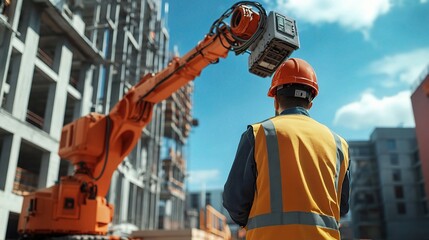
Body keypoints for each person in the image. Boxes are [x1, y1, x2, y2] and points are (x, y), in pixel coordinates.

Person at [223, 58, 350, 240]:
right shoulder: (339, 144)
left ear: (275, 100)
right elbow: (342, 207)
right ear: (310, 103)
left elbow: (233, 200)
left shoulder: (258, 134)